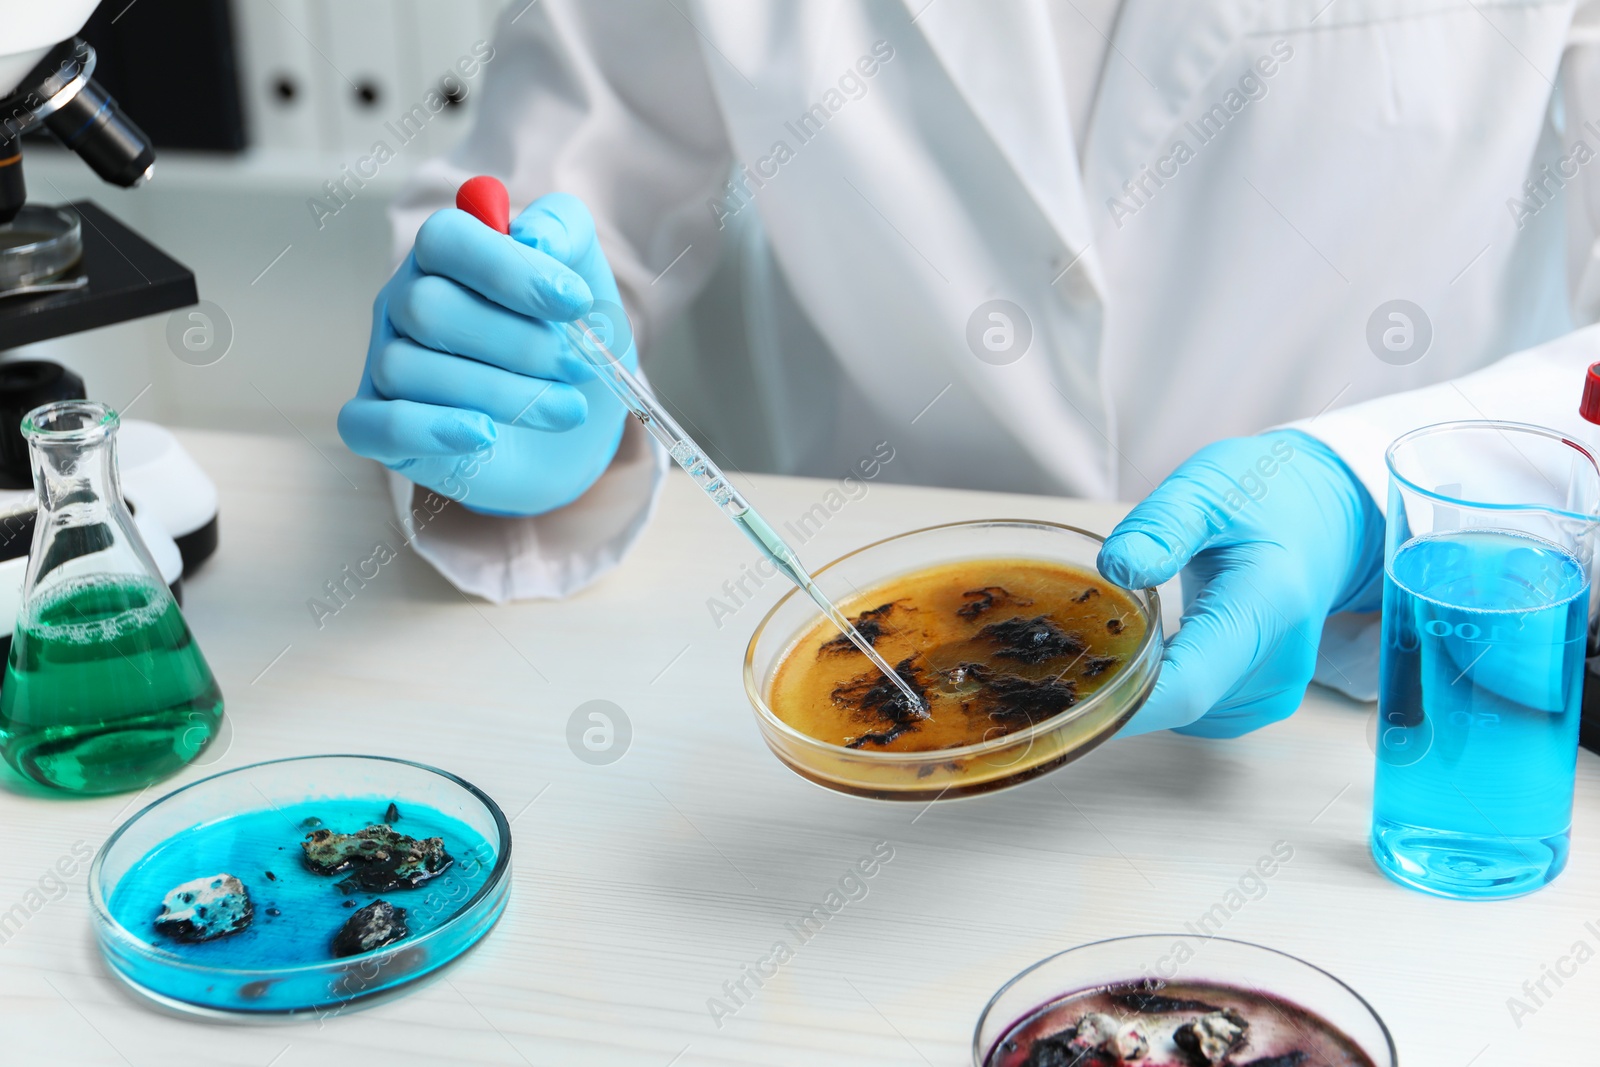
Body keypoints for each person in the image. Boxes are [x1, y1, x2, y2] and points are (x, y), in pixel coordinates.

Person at [339, 0, 1600, 737]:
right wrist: (508, 392)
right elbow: (551, 206)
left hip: (1386, 683)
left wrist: (1369, 489)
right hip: (886, 680)